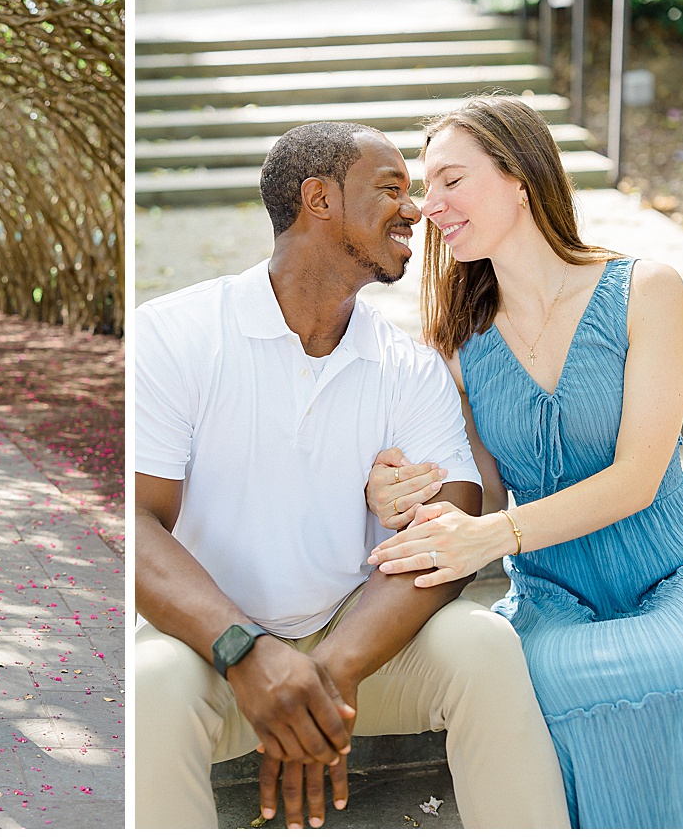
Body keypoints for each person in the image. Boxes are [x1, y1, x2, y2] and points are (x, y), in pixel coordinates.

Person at [135, 121, 571, 829]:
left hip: (360, 642)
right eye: (392, 189)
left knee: (484, 647)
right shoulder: (175, 334)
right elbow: (136, 522)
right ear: (319, 199)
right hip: (206, 645)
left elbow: (451, 531)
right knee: (150, 685)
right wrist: (246, 653)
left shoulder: (408, 366)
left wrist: (333, 669)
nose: (417, 210)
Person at [365, 94, 683, 828]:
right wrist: (400, 489)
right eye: (427, 188)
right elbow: (483, 493)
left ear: (521, 177)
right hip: (556, 594)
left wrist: (492, 537)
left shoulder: (646, 290)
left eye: (451, 181)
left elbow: (638, 476)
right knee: (555, 677)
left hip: (678, 570)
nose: (431, 205)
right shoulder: (458, 344)